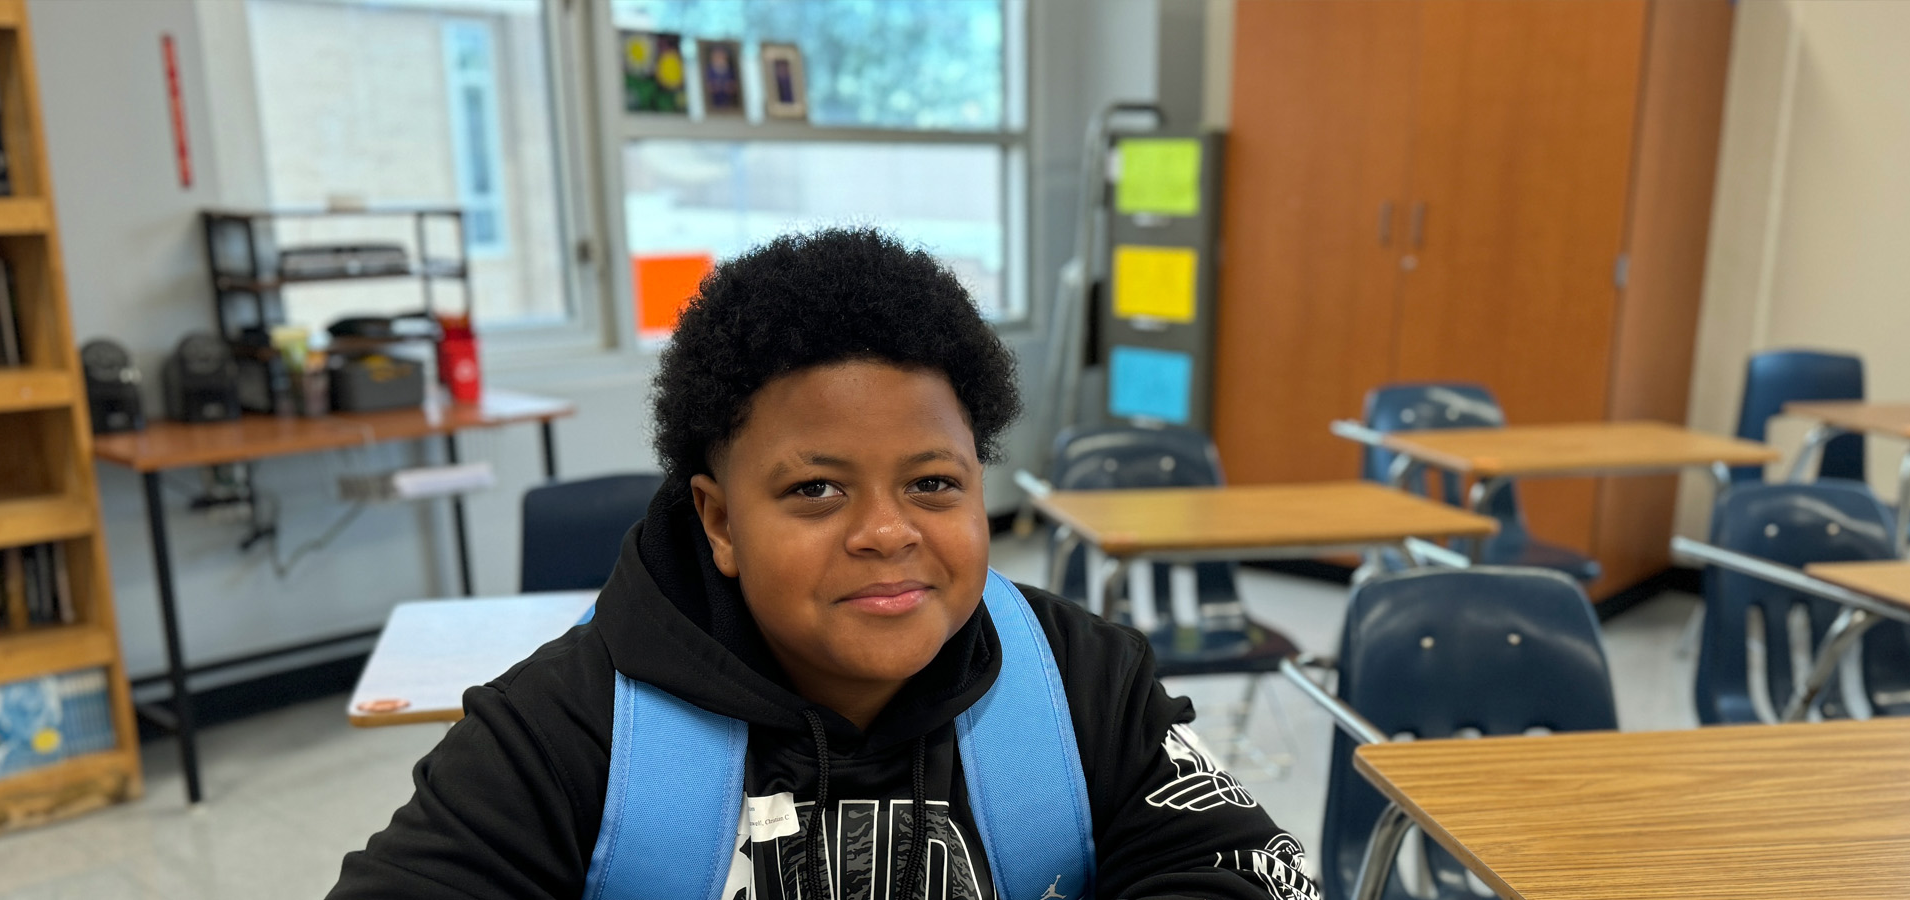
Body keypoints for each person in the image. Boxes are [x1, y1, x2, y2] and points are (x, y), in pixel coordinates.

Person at [326, 228, 1318, 900]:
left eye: (933, 484)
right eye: (814, 491)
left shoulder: (1081, 684)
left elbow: (1250, 873)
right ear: (717, 519)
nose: (887, 533)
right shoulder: (567, 732)